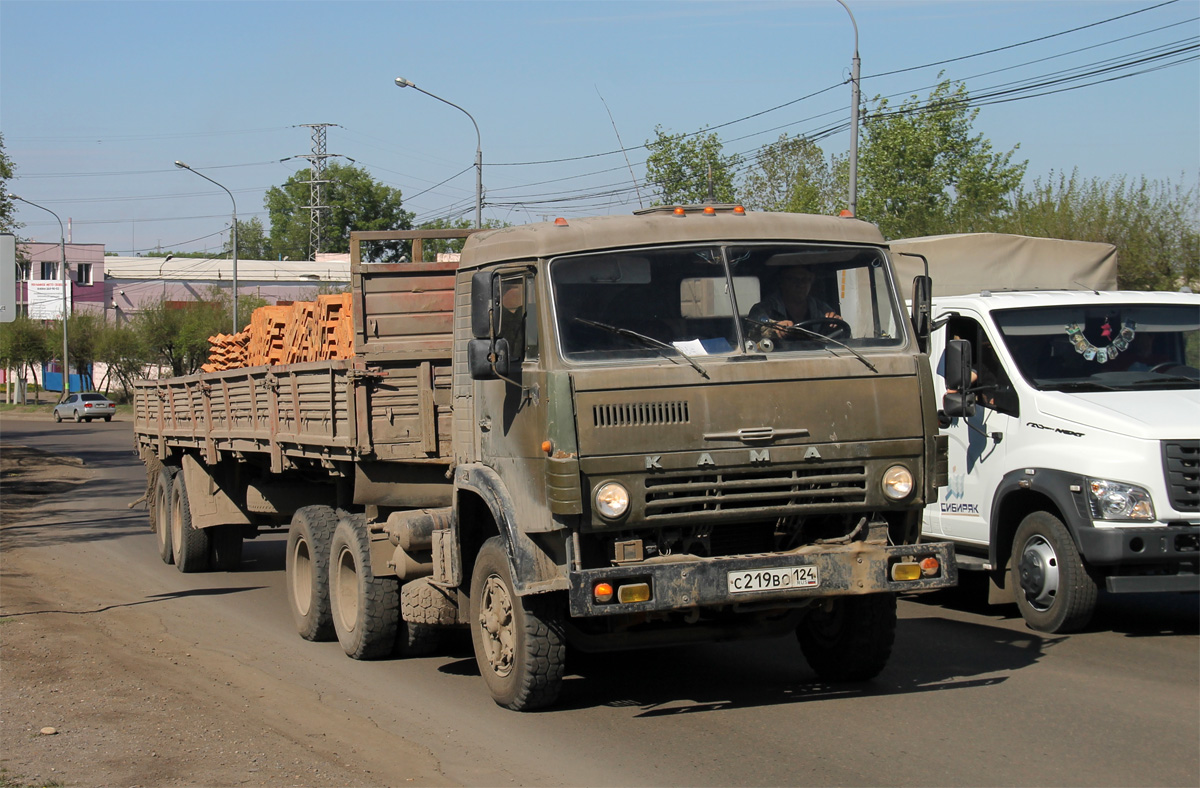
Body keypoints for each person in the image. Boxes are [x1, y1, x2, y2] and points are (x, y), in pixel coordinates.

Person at [748, 266, 842, 340]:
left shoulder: (822, 309)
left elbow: (840, 335)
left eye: (805, 279)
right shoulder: (765, 308)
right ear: (782, 281)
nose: (800, 284)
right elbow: (753, 327)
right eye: (793, 279)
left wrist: (835, 323)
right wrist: (774, 328)